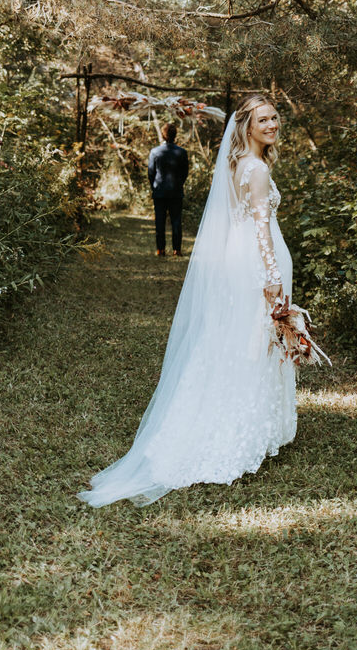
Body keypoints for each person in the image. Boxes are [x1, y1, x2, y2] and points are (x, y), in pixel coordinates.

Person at [78, 94, 296, 508]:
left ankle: (232, 418)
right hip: (255, 262)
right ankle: (243, 427)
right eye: (263, 119)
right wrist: (270, 276)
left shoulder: (236, 165)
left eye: (275, 117)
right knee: (254, 340)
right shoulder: (258, 169)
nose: (272, 124)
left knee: (233, 338)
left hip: (237, 259)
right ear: (247, 126)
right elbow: (262, 229)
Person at [148, 122, 189, 257]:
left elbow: (151, 173)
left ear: (163, 135)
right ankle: (176, 250)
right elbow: (185, 173)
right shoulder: (182, 152)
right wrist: (179, 184)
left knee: (159, 221)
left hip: (159, 191)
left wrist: (154, 186)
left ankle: (161, 250)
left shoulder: (155, 152)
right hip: (176, 191)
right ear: (175, 135)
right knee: (176, 221)